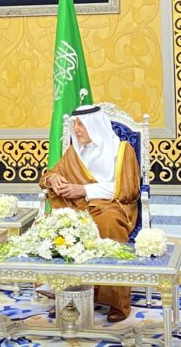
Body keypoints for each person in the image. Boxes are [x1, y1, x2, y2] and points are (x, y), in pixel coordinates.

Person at [39, 105, 140, 322]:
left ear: (94, 126)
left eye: (80, 124)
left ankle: (115, 301)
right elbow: (51, 173)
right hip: (78, 206)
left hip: (111, 206)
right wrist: (54, 179)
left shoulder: (121, 150)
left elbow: (127, 189)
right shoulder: (75, 152)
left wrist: (83, 190)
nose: (76, 129)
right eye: (74, 124)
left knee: (107, 224)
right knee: (59, 225)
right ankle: (68, 295)